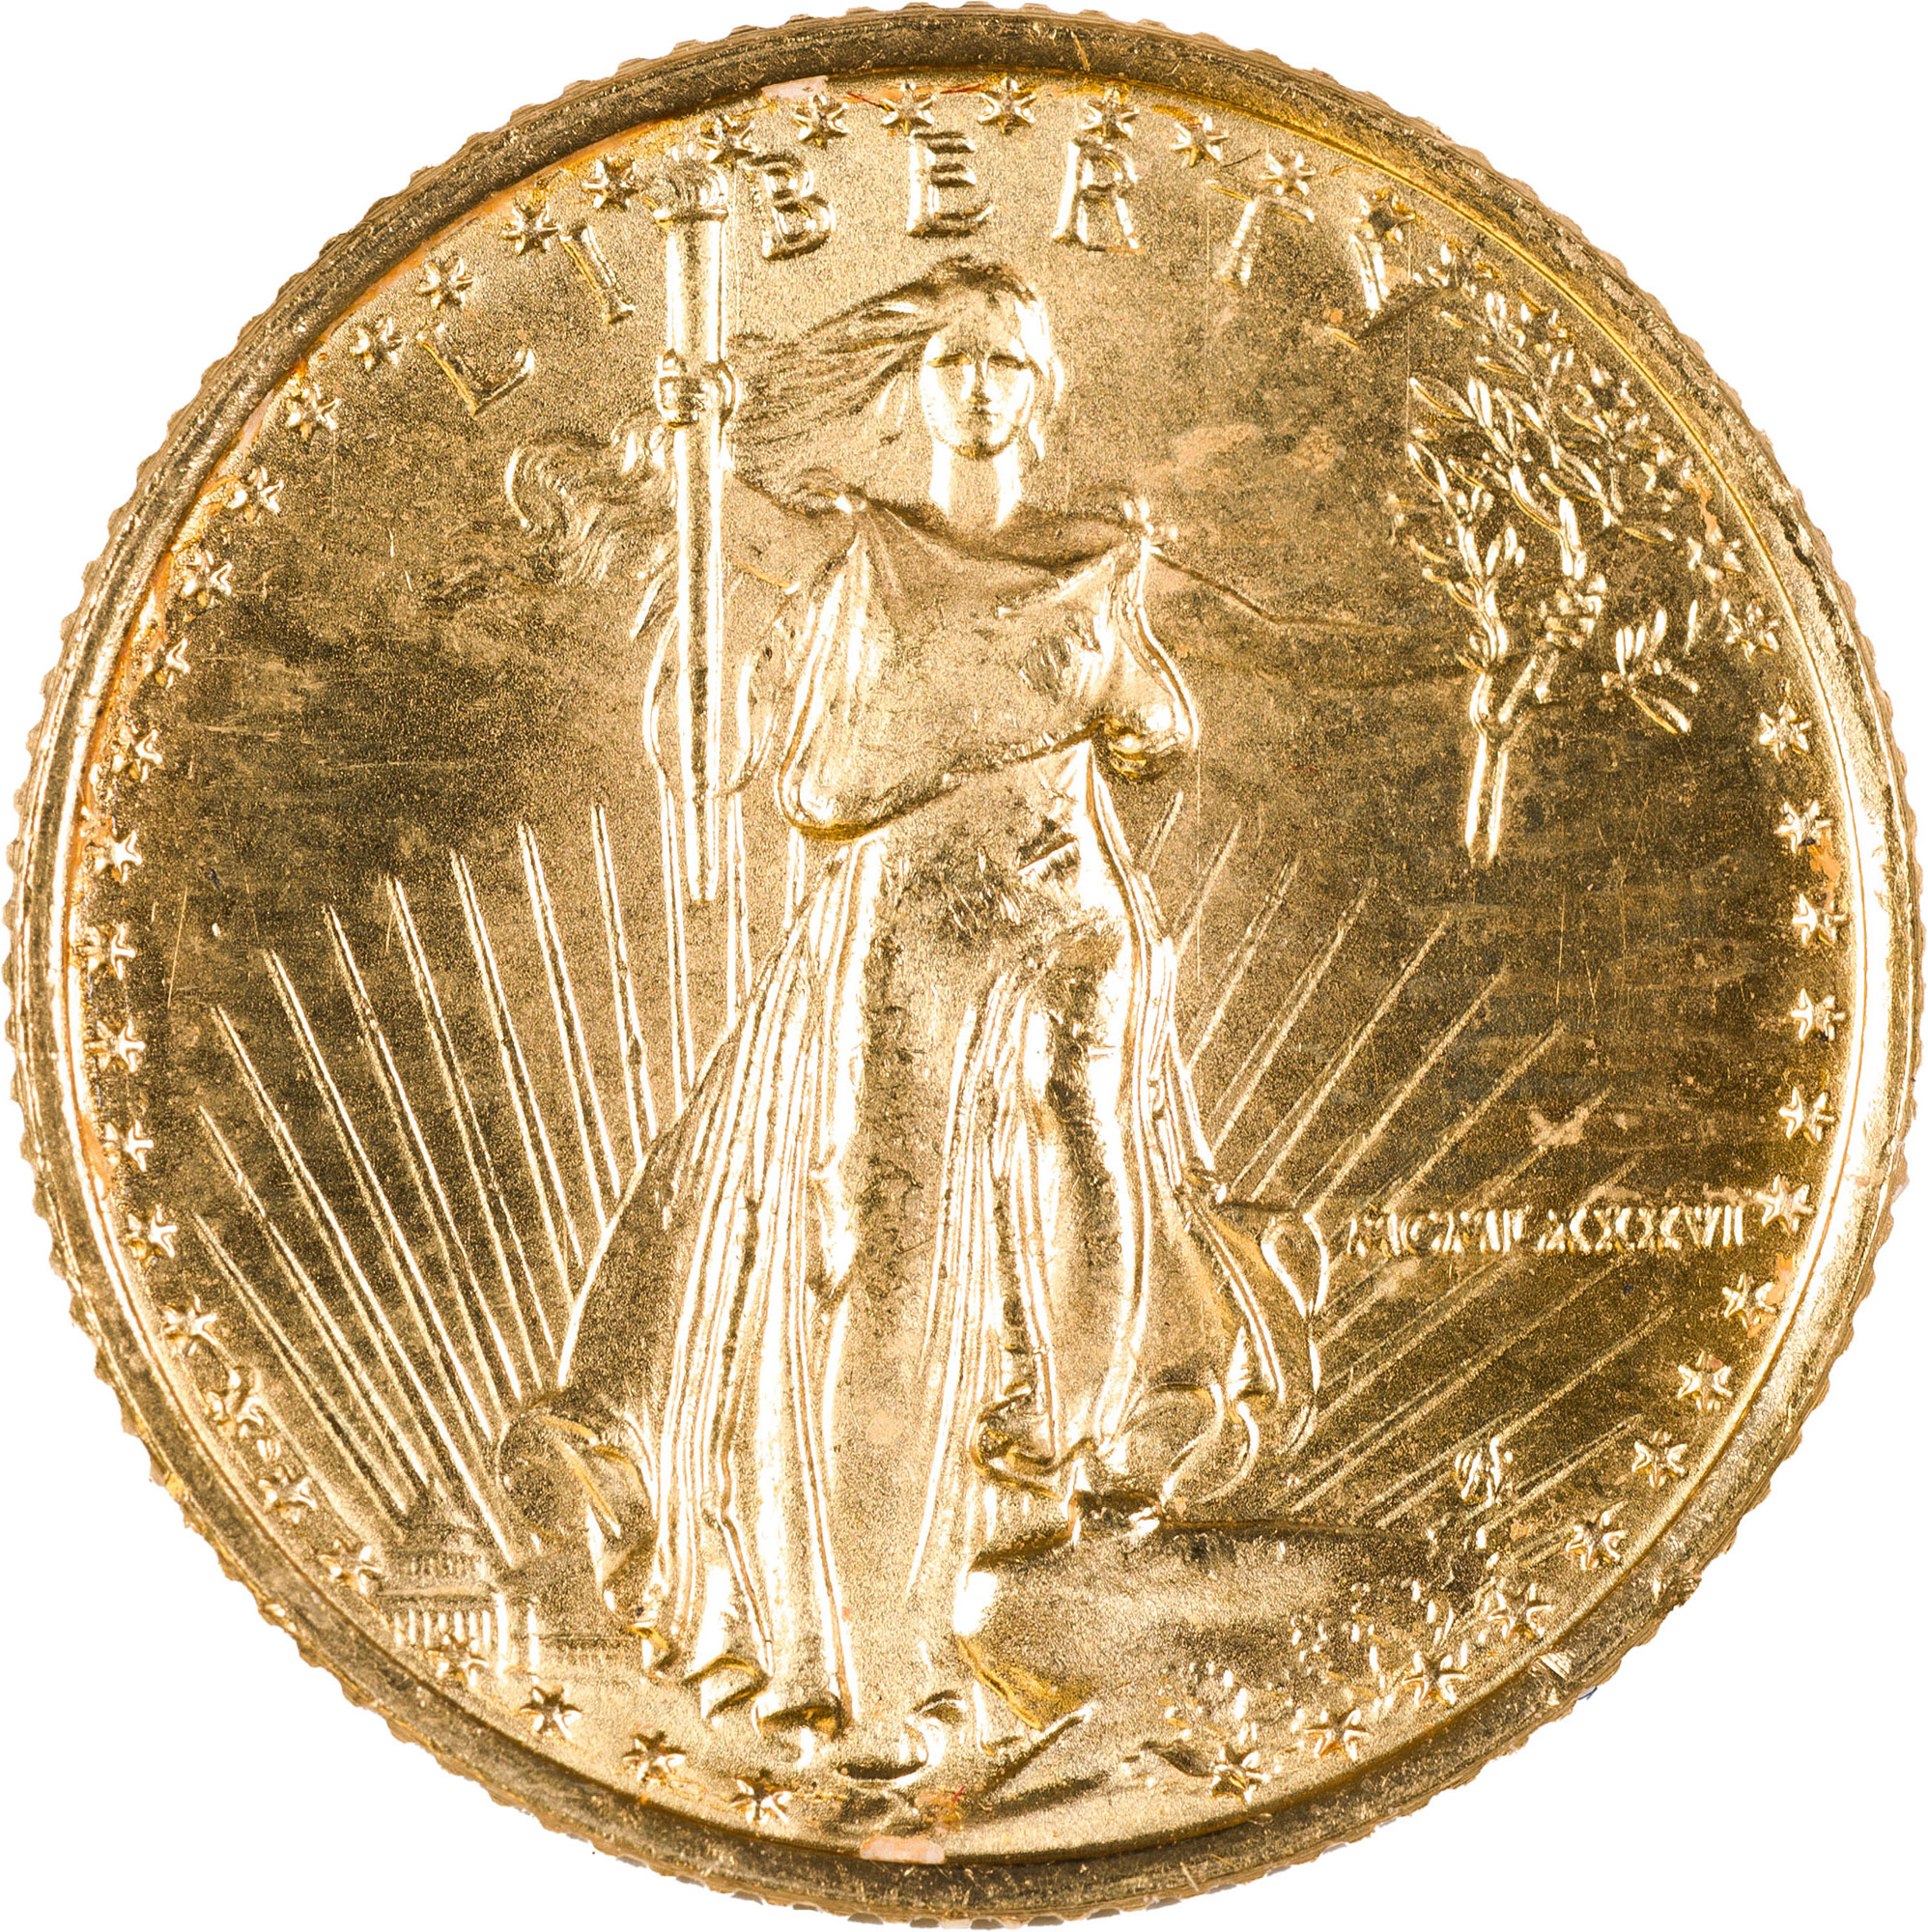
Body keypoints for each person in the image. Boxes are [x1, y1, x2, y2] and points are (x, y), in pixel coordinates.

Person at [499, 256, 1318, 1772]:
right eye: (956, 360)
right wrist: (696, 429)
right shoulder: (861, 545)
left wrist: (1090, 711)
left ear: (1044, 389)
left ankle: (1054, 1451)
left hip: (1071, 923)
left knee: (1083, 1170)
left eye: (1008, 362)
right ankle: (882, 1654)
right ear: (911, 387)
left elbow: (1155, 728)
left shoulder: (1099, 558)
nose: (982, 387)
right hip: (905, 942)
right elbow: (731, 524)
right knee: (886, 1264)